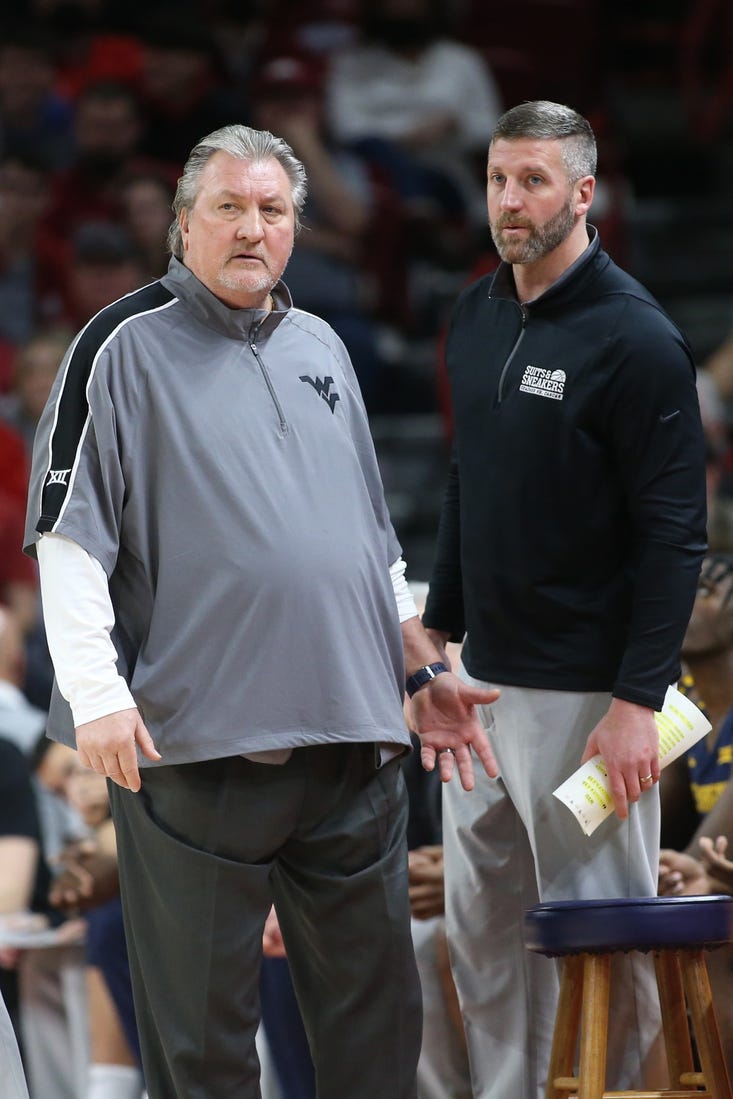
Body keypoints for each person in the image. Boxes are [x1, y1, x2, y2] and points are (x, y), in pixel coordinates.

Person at [24, 122, 496, 1099]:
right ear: (183, 226)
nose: (252, 228)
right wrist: (97, 692)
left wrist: (414, 664)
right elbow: (68, 532)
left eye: (272, 210)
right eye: (228, 208)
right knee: (202, 1038)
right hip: (192, 742)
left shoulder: (323, 342)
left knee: (378, 1021)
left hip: (350, 731)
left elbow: (372, 535)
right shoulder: (118, 343)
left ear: (294, 228)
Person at [412, 99, 708, 1098]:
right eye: (498, 178)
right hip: (482, 685)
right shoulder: (475, 310)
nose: (509, 199)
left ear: (585, 194)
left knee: (600, 941)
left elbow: (675, 535)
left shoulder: (637, 339)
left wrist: (639, 703)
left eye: (533, 180)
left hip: (589, 700)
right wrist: (440, 629)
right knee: (482, 933)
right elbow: (468, 479)